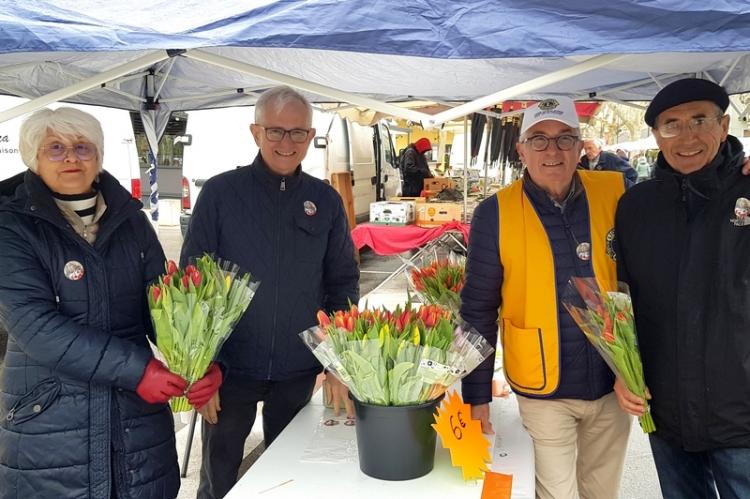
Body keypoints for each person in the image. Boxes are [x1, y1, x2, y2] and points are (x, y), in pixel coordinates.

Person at [181, 85, 360, 499]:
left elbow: (342, 285)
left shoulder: (325, 200)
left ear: (311, 135)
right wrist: (201, 369)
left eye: (298, 133)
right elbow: (193, 285)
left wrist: (337, 362)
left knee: (293, 477)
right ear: (255, 132)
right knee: (219, 478)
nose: (287, 143)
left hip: (298, 369)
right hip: (229, 368)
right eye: (276, 131)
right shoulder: (221, 194)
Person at [0, 107, 188, 498]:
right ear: (33, 157)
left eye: (82, 147)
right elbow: (36, 327)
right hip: (51, 420)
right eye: (55, 147)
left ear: (98, 156)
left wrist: (201, 360)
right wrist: (138, 371)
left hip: (135, 419)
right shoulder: (12, 225)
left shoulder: (131, 221)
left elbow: (163, 306)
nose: (71, 157)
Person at [460, 96, 632, 499]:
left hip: (613, 382)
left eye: (564, 139)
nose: (551, 150)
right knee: (556, 493)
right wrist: (477, 395)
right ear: (520, 150)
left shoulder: (617, 191)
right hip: (544, 387)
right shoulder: (495, 212)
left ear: (580, 146)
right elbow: (478, 309)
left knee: (602, 492)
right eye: (538, 140)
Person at [614, 78, 750, 499]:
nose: (687, 136)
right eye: (671, 124)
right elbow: (624, 301)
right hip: (666, 411)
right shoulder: (637, 206)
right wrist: (623, 372)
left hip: (742, 414)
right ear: (656, 135)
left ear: (723, 126)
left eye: (699, 120)